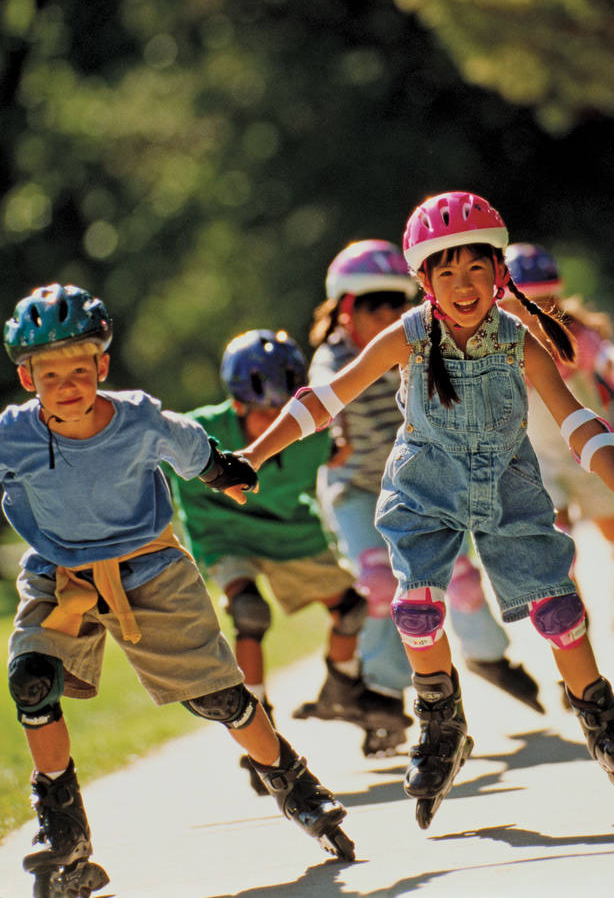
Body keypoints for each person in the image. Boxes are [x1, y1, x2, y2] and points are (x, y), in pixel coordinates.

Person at [234, 192, 614, 830]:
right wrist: (254, 453)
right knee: (416, 604)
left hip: (509, 486)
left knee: (559, 609)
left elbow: (575, 418)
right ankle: (442, 722)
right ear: (424, 280)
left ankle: (605, 727)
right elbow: (326, 397)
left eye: (476, 270)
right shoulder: (408, 335)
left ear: (500, 273)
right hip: (424, 488)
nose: (464, 286)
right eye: (447, 272)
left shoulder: (520, 340)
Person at [2, 286, 354, 896]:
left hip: (149, 570)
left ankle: (291, 780)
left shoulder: (137, 417)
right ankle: (62, 828)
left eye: (80, 369)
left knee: (218, 698)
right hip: (59, 575)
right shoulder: (13, 434)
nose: (67, 384)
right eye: (49, 372)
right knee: (32, 681)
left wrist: (229, 474)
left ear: (102, 367)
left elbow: (195, 448)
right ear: (26, 375)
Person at [308, 239, 544, 756]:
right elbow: (324, 394)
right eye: (375, 305)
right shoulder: (334, 358)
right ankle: (383, 694)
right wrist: (333, 431)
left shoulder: (421, 339)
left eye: (398, 301)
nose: (390, 314)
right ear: (346, 310)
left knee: (455, 578)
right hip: (354, 490)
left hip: (419, 482)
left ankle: (486, 656)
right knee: (377, 584)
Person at [171, 328, 409, 769]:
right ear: (238, 403)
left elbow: (339, 447)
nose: (279, 421)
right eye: (265, 411)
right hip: (223, 532)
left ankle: (342, 688)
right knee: (249, 612)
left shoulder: (315, 438)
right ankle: (260, 722)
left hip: (290, 534)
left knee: (353, 610)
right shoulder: (200, 429)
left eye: (285, 408)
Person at [500, 243, 614, 681]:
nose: (535, 313)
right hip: (538, 462)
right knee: (558, 556)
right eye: (523, 304)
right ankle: (573, 640)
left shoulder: (576, 337)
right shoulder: (499, 348)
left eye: (544, 302)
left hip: (590, 457)